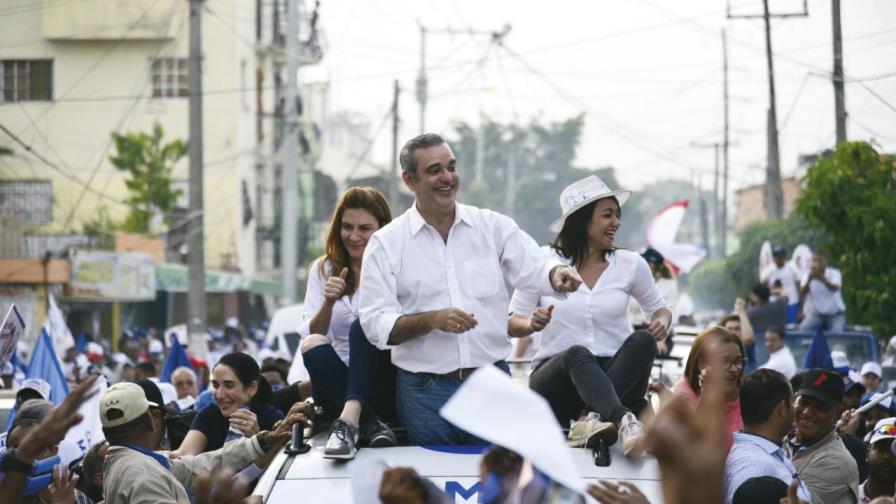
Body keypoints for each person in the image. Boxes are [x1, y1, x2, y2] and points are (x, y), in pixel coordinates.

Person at [359, 133, 582, 446]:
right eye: (435, 170)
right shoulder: (386, 244)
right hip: (424, 394)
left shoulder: (490, 226)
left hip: (491, 384)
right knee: (435, 491)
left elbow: (534, 262)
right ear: (410, 180)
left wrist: (556, 273)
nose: (448, 177)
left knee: (495, 487)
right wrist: (431, 320)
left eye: (451, 166)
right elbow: (374, 323)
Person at [508, 175, 672, 456]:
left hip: (614, 377)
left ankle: (591, 419)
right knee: (576, 353)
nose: (616, 223)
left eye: (617, 216)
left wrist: (661, 323)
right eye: (608, 215)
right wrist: (531, 323)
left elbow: (661, 310)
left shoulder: (631, 264)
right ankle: (622, 419)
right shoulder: (544, 261)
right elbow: (512, 322)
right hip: (559, 378)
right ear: (583, 221)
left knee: (644, 340)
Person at [298, 186, 398, 460]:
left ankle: (355, 419)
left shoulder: (396, 268)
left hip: (382, 378)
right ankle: (366, 423)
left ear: (382, 230)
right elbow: (313, 334)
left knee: (365, 325)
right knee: (312, 342)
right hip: (333, 386)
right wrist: (329, 303)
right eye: (347, 227)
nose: (354, 236)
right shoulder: (323, 269)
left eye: (364, 228)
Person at [100, 381, 303, 503]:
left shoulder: (134, 463)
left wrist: (263, 439)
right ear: (149, 420)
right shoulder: (142, 475)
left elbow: (200, 466)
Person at [724, 369, 812, 503]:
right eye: (792, 401)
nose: (796, 409)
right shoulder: (752, 466)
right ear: (782, 408)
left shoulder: (765, 454)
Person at [172, 352, 284, 456]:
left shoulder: (273, 418)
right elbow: (183, 454)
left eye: (229, 385)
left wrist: (258, 441)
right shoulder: (209, 414)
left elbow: (275, 467)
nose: (219, 395)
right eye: (215, 385)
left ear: (252, 388)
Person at [785, 368, 859, 504]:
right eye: (804, 402)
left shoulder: (836, 461)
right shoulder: (785, 440)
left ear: (838, 413)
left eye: (820, 407)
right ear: (794, 400)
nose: (807, 412)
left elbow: (782, 497)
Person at [666, 326, 745, 451]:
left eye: (738, 361)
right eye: (725, 361)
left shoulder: (746, 393)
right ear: (701, 363)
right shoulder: (682, 395)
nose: (735, 369)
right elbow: (693, 444)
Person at [628, 247, 678, 356]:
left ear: (658, 268)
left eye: (649, 265)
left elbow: (671, 314)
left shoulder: (670, 285)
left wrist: (661, 340)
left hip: (658, 331)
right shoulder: (633, 281)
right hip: (634, 330)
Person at [799, 251, 846, 332]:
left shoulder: (834, 273)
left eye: (820, 260)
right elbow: (802, 294)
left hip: (835, 315)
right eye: (814, 260)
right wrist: (809, 280)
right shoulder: (807, 275)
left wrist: (821, 278)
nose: (817, 262)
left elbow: (834, 288)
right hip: (816, 315)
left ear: (826, 262)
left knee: (837, 334)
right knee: (802, 332)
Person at [760, 245, 802, 325]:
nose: (777, 259)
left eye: (779, 256)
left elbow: (798, 287)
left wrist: (800, 308)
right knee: (777, 326)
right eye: (775, 256)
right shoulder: (769, 270)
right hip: (775, 303)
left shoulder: (792, 267)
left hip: (792, 302)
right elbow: (763, 286)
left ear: (784, 257)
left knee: (791, 326)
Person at [860, 418, 896, 503]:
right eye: (881, 448)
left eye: (894, 450)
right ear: (867, 452)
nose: (887, 456)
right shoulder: (846, 497)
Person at [722, 299, 757, 371]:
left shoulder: (746, 348)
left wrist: (740, 311)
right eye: (729, 328)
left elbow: (748, 339)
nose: (733, 332)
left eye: (737, 328)